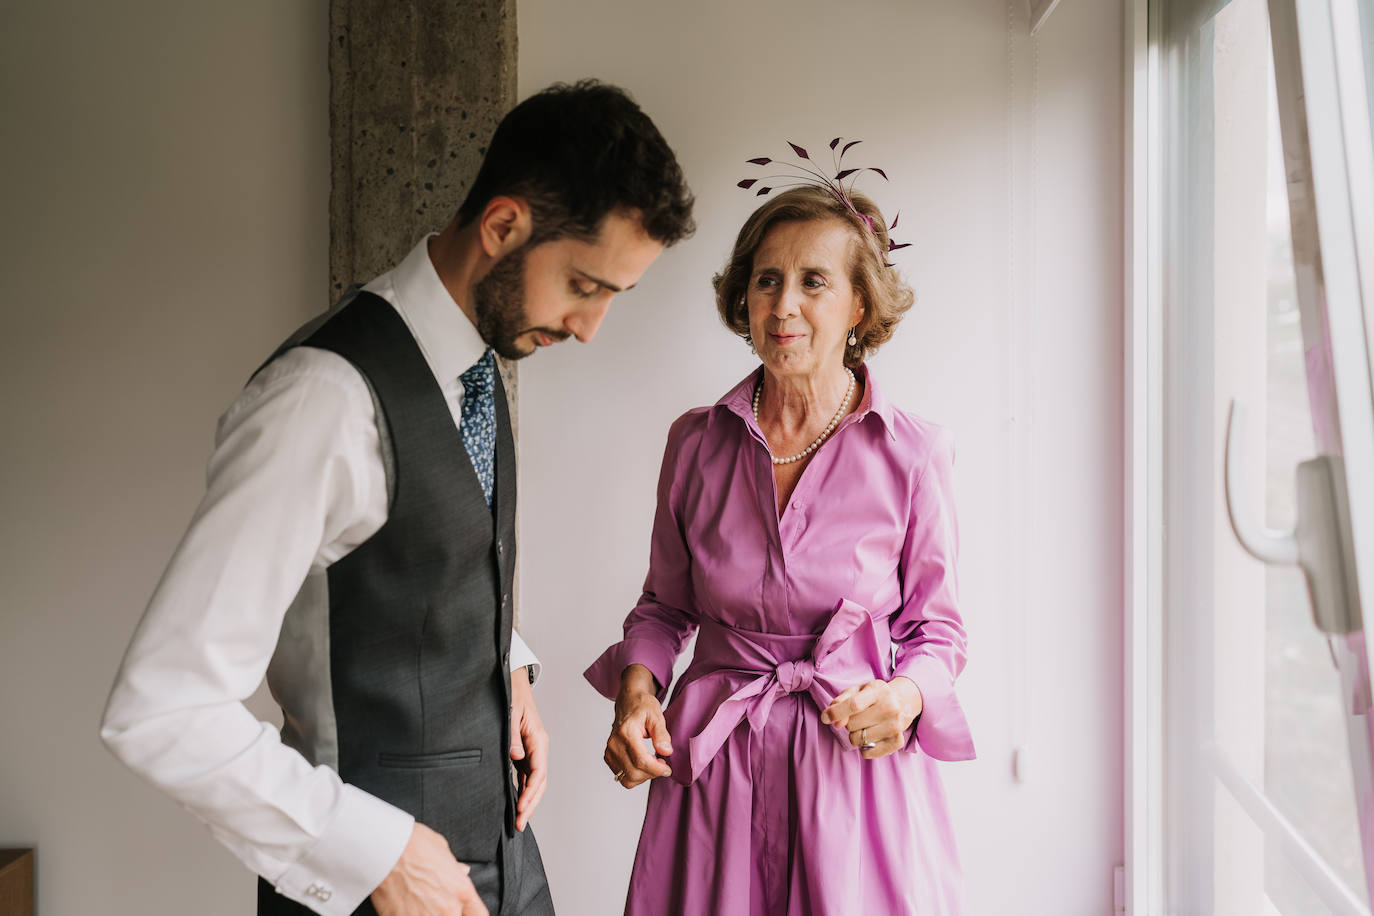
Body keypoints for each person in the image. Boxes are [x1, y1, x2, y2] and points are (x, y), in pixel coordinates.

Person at [101, 79, 694, 916]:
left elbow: (419, 550)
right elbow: (162, 704)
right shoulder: (321, 399)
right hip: (371, 894)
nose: (590, 328)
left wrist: (506, 669)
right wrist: (375, 854)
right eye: (585, 287)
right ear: (502, 227)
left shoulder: (478, 363)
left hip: (508, 864)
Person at [585, 182, 975, 915]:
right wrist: (637, 691)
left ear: (860, 305)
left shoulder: (916, 454)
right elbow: (666, 606)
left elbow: (939, 631)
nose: (783, 304)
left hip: (851, 773)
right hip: (714, 774)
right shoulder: (695, 443)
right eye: (767, 280)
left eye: (813, 281)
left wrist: (905, 694)